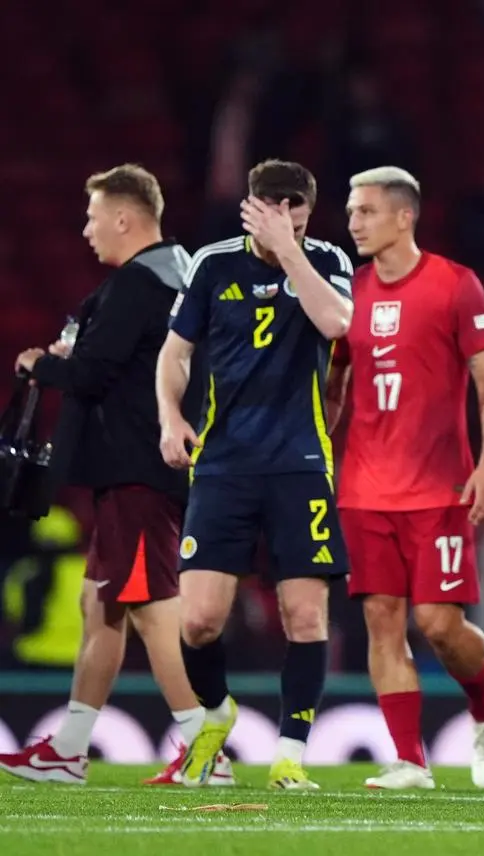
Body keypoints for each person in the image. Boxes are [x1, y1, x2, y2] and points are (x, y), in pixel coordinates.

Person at [0, 164, 233, 786]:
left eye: (94, 216)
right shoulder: (178, 276)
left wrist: (40, 365)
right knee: (100, 603)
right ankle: (70, 749)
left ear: (126, 218)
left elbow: (94, 375)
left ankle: (204, 749)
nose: (86, 230)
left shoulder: (138, 286)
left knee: (153, 607)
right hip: (143, 467)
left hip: (136, 469)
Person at [157, 159, 354, 790]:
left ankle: (290, 753)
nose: (279, 216)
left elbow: (337, 325)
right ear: (248, 206)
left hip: (299, 466)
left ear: (307, 210)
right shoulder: (212, 264)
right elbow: (175, 354)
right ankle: (217, 713)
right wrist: (168, 416)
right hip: (224, 464)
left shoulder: (326, 261)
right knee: (198, 620)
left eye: (292, 206)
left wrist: (288, 251)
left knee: (305, 616)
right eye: (268, 205)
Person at [331, 166, 484, 790]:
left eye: (366, 211)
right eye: (352, 212)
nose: (353, 222)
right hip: (362, 487)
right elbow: (335, 383)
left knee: (437, 623)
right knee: (382, 619)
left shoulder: (455, 285)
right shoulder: (347, 292)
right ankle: (411, 760)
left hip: (437, 488)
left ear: (404, 216)